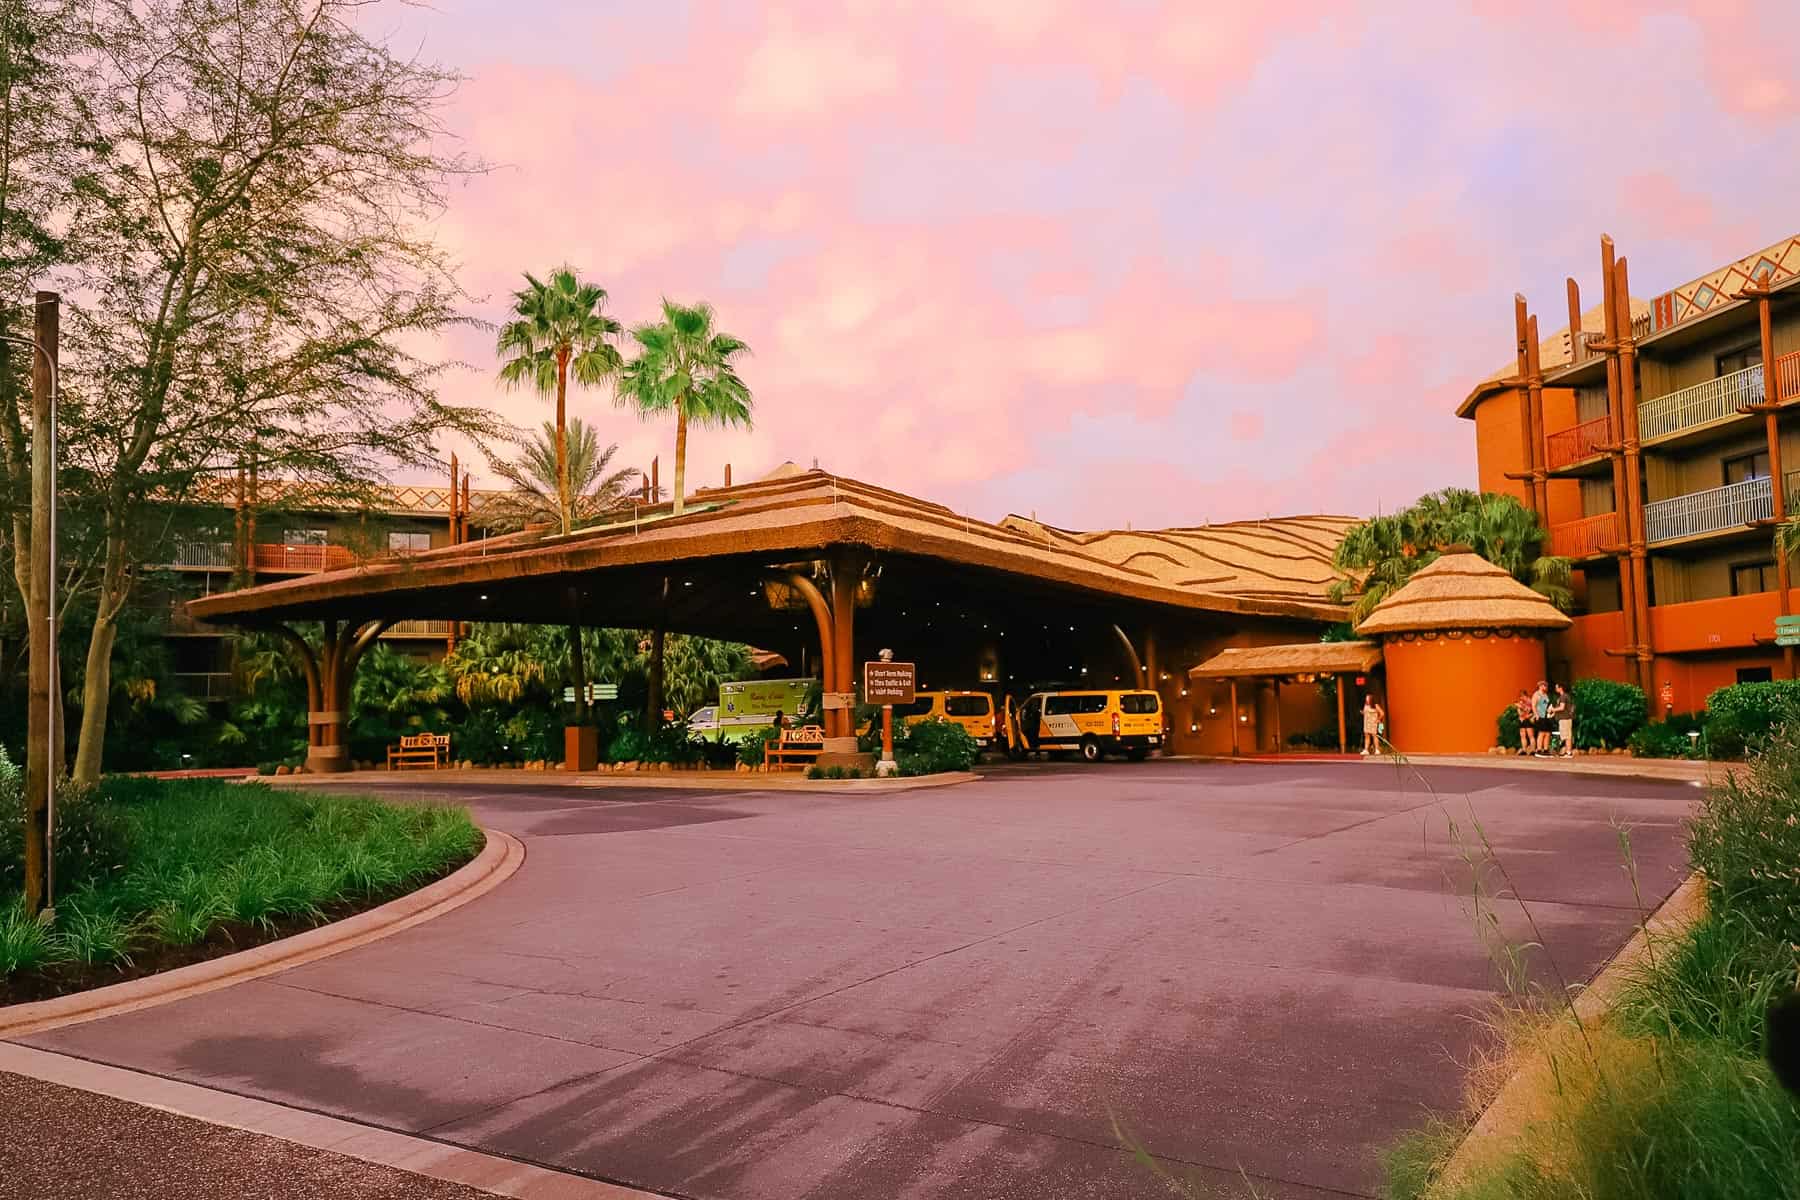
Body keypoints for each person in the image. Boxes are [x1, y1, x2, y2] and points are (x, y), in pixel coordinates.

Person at [1553, 683, 1576, 758]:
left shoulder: (1563, 696)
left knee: (1566, 736)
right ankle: (1568, 751)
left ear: (1561, 688)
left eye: (1556, 687)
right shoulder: (1566, 696)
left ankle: (1568, 752)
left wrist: (1553, 709)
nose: (1555, 689)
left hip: (1564, 718)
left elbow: (1562, 707)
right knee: (1568, 735)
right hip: (1566, 718)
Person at [1530, 680, 1553, 756]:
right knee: (1541, 732)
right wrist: (1536, 715)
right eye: (1544, 686)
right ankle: (1539, 750)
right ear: (1540, 686)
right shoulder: (1536, 694)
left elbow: (1547, 705)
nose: (1546, 687)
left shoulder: (1545, 695)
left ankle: (1545, 749)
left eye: (1546, 686)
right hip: (1540, 716)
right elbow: (1533, 706)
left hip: (1547, 716)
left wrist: (1551, 712)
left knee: (1547, 733)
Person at [1513, 690, 1534, 755]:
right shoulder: (1521, 702)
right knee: (1523, 735)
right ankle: (1524, 750)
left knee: (1530, 735)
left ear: (1525, 695)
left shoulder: (1530, 701)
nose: (1520, 698)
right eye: (1520, 697)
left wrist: (1522, 707)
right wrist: (1519, 708)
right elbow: (1520, 712)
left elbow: (1532, 711)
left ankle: (1533, 750)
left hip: (1528, 719)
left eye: (1521, 696)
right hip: (1522, 719)